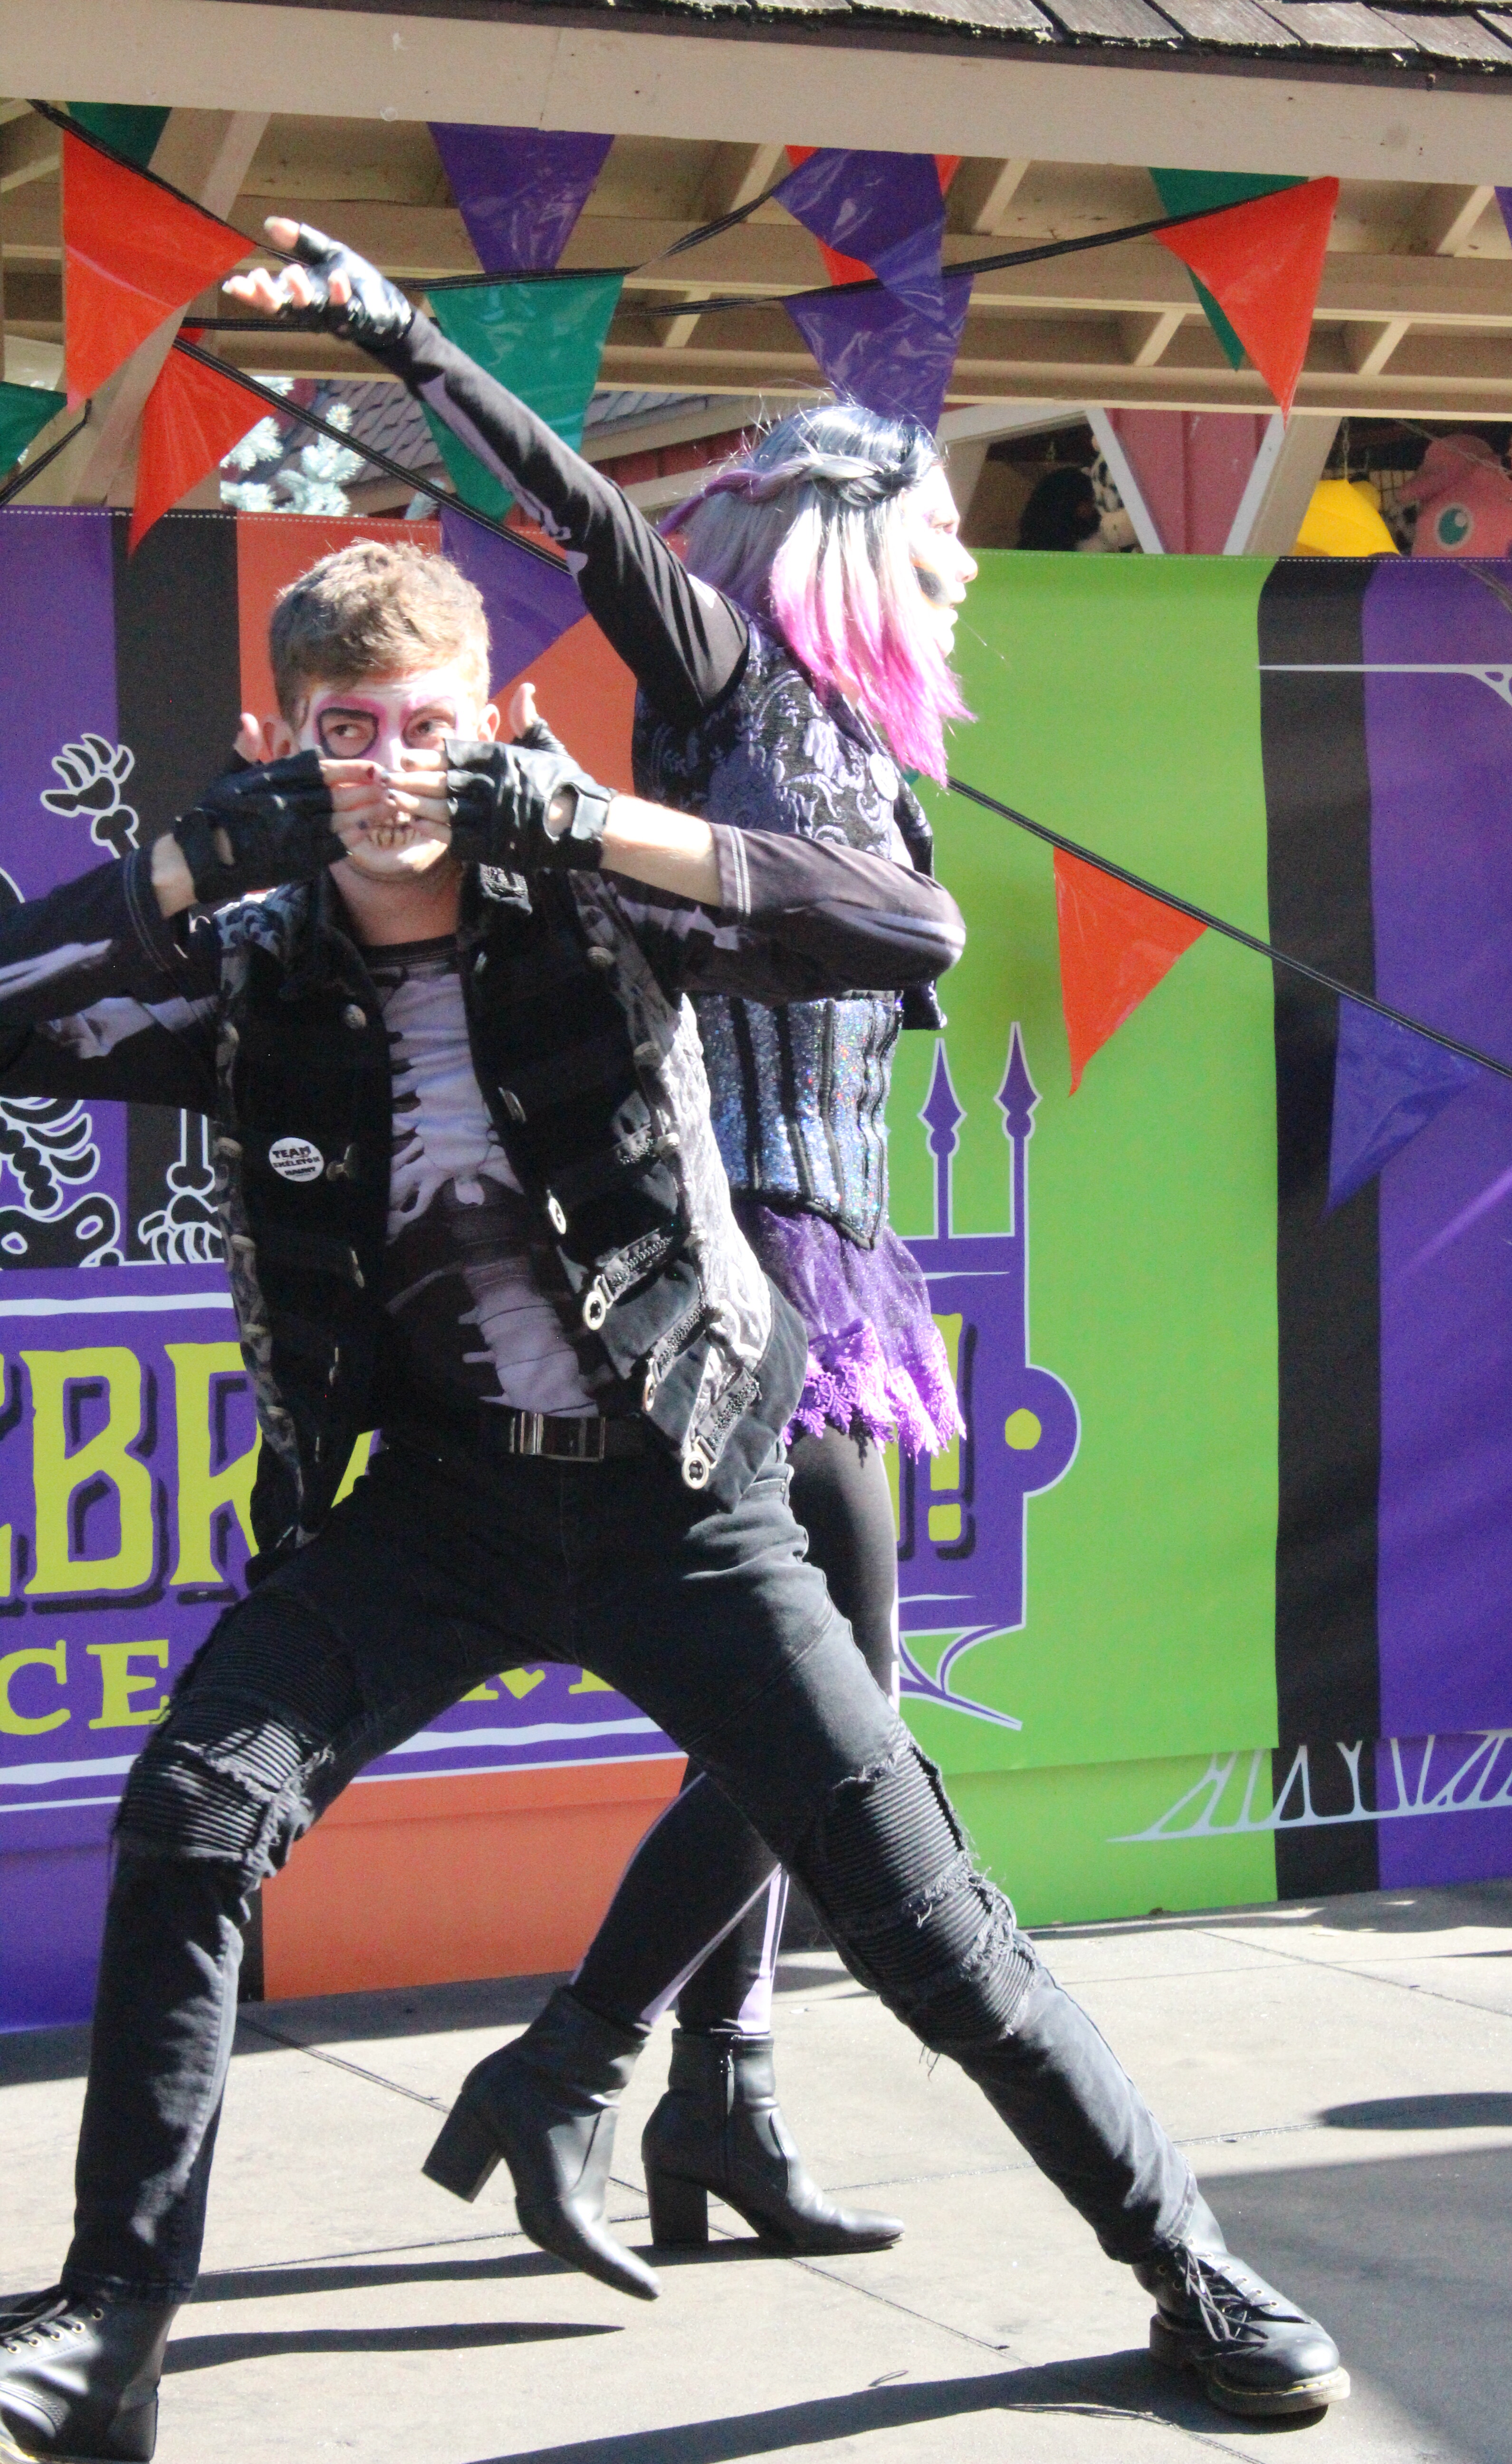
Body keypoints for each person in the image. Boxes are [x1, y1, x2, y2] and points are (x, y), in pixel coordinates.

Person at [0, 541, 1345, 2461]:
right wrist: (188, 867)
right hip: (435, 1510)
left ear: (494, 727)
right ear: (281, 747)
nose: (390, 772)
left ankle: (1191, 2263)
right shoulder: (254, 971)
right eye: (345, 735)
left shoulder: (593, 909)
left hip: (685, 1491)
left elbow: (905, 930)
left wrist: (599, 819)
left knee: (926, 1915)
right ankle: (115, 2318)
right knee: (193, 1815)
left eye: (426, 730)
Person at [227, 221, 975, 2262]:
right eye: (934, 544)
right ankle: (584, 2061)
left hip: (831, 1244)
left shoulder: (866, 756)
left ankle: (713, 2092)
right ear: (848, 547)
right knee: (837, 1720)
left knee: (814, 1722)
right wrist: (406, 336)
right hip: (742, 1266)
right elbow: (577, 508)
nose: (959, 577)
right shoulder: (727, 677)